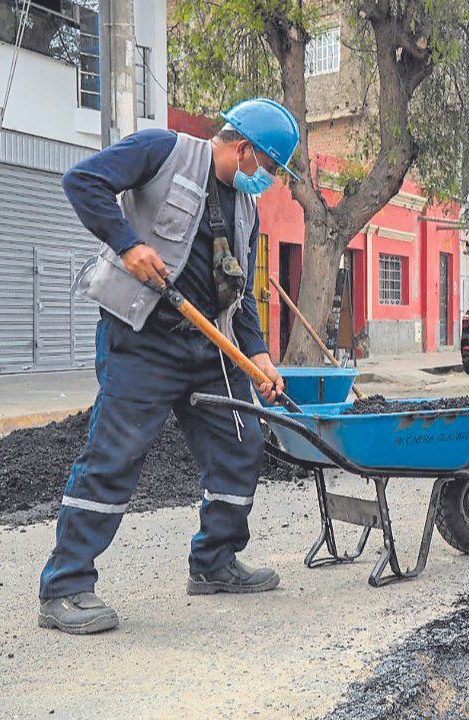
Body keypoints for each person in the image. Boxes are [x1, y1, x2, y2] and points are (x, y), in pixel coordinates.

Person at [37, 98, 296, 634]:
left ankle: (214, 562)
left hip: (207, 349)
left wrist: (261, 358)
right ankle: (65, 586)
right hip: (143, 339)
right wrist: (128, 245)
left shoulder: (246, 210)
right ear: (245, 149)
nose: (267, 180)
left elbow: (240, 297)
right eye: (268, 168)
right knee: (115, 455)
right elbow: (82, 182)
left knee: (240, 443)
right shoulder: (163, 149)